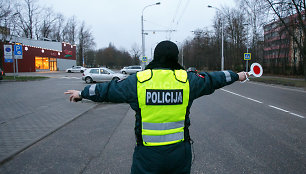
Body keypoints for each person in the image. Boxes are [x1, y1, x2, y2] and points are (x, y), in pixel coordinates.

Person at [65, 40, 248, 174]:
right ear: (176, 58)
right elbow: (214, 79)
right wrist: (237, 75)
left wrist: (81, 94)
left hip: (147, 157)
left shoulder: (139, 81)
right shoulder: (187, 81)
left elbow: (108, 90)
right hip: (179, 155)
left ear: (155, 57)